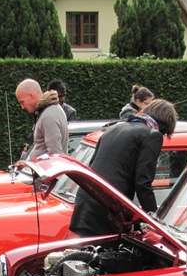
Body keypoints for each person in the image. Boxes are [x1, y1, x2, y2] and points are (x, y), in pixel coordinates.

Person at [70, 99, 178, 237]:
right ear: (165, 125)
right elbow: (143, 182)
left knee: (87, 254)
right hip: (109, 206)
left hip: (86, 198)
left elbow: (92, 166)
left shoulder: (113, 129)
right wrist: (153, 218)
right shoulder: (152, 135)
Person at [16, 78, 68, 160]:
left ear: (31, 96)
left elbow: (55, 156)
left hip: (46, 172)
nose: (22, 107)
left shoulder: (48, 115)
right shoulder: (48, 110)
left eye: (22, 102)